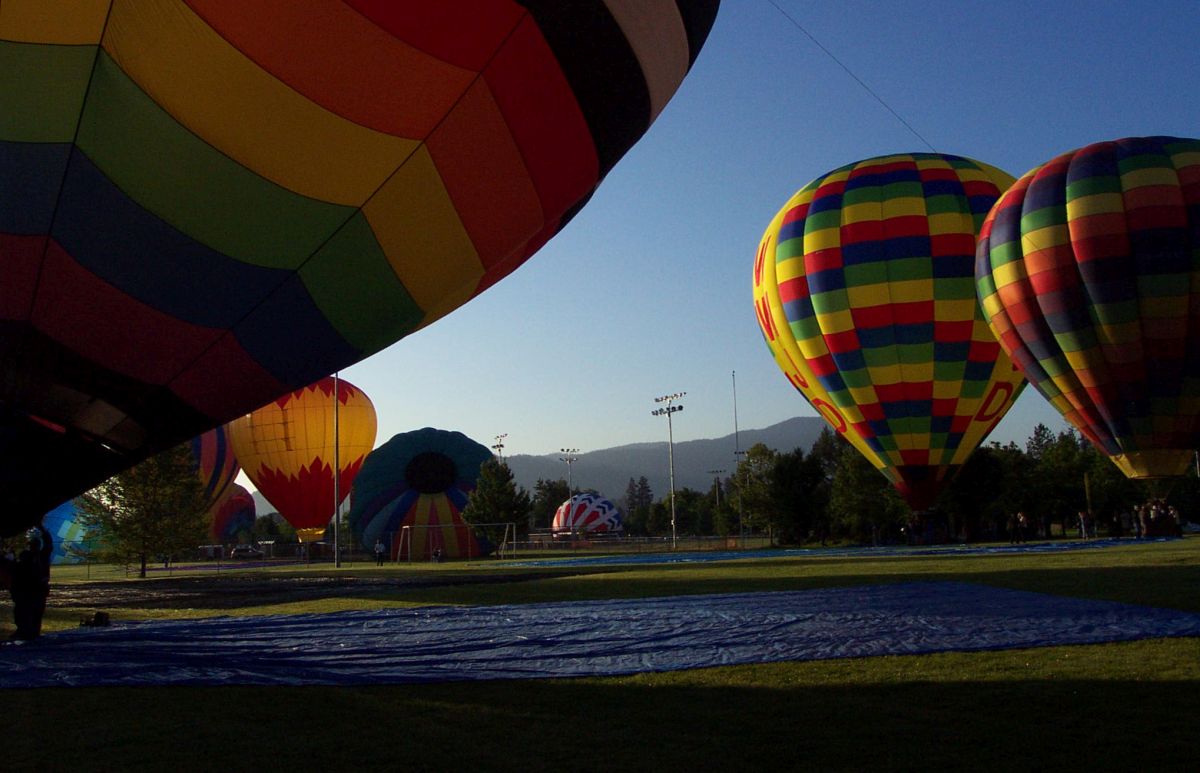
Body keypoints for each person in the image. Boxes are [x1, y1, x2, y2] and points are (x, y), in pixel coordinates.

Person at [4, 523, 53, 641]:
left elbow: (13, 568)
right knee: (30, 613)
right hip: (31, 591)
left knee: (29, 612)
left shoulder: (36, 557)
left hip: (31, 591)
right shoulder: (40, 557)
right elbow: (48, 543)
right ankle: (27, 632)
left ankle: (29, 632)